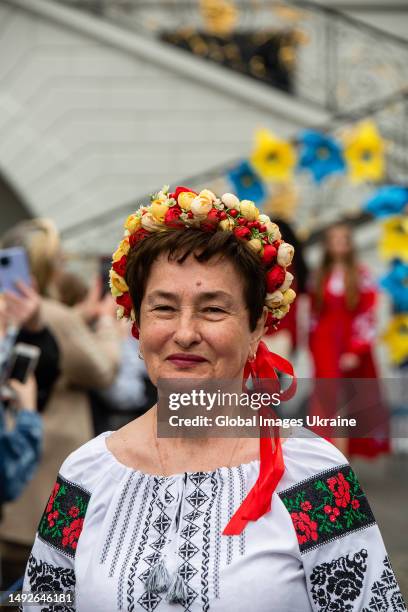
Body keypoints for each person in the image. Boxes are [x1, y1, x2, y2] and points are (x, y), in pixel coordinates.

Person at [22, 188, 405, 611]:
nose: (185, 333)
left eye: (213, 310)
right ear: (136, 321)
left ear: (257, 325)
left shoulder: (313, 476)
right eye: (164, 309)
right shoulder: (86, 474)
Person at [0, 219, 121, 583]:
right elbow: (102, 370)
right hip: (47, 477)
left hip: (14, 473)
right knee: (45, 587)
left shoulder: (14, 310)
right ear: (48, 266)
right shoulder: (54, 316)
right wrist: (104, 327)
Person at [308, 221, 390, 458]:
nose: (339, 244)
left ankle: (347, 455)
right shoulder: (318, 276)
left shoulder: (361, 275)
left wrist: (356, 349)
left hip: (350, 345)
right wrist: (313, 346)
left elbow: (367, 314)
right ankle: (325, 457)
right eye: (334, 240)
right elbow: (314, 315)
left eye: (344, 239)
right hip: (324, 344)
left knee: (354, 401)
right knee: (325, 401)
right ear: (327, 245)